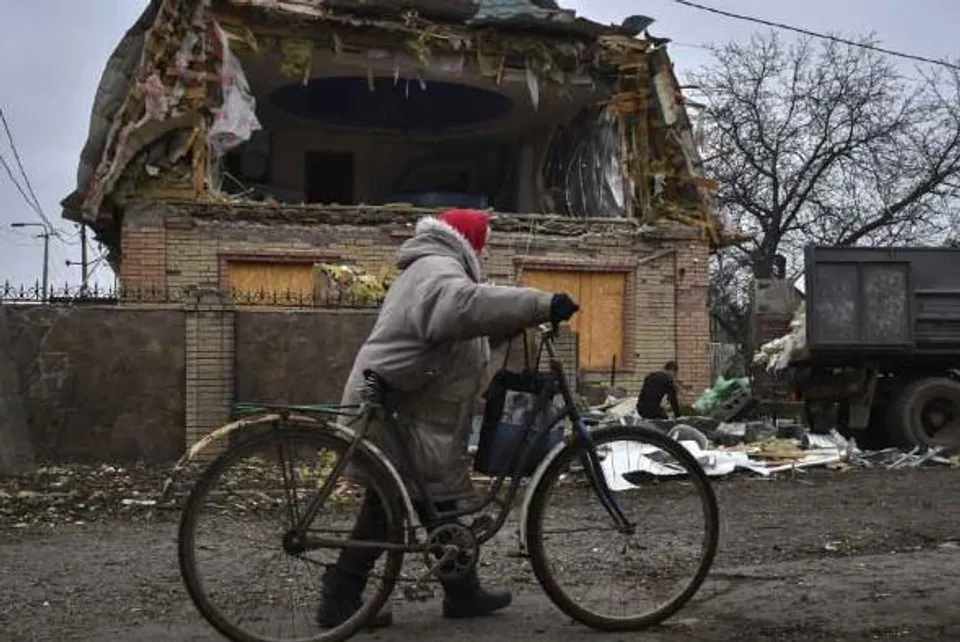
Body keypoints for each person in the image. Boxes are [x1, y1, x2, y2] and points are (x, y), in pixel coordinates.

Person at [318, 208, 580, 630]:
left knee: (432, 500)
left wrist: (508, 324)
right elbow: (460, 308)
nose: (487, 249)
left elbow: (454, 332)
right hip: (395, 406)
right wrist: (540, 303)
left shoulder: (433, 269)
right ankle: (339, 599)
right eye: (485, 241)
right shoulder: (438, 268)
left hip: (406, 404)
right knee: (386, 507)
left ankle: (462, 592)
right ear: (467, 240)